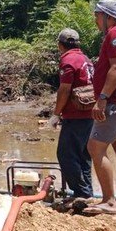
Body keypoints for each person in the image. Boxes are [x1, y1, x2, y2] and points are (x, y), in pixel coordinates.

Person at [84, 0, 116, 215]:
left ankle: (109, 201)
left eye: (97, 16)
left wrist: (102, 98)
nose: (95, 21)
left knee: (95, 147)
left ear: (107, 16)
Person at [48, 29, 94, 199]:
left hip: (75, 116)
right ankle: (87, 193)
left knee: (66, 155)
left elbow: (65, 89)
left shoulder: (68, 60)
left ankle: (81, 193)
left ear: (60, 44)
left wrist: (56, 114)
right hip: (90, 114)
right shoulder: (85, 59)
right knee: (84, 156)